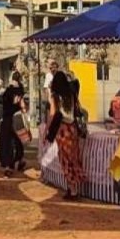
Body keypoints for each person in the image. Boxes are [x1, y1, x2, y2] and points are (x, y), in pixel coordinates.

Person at [48, 71, 84, 200]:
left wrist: (48, 131)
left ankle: (72, 189)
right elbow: (76, 82)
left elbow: (52, 115)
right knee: (74, 158)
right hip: (73, 128)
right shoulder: (72, 94)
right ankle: (74, 188)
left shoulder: (55, 96)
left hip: (62, 130)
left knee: (65, 159)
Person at [0, 71, 28, 177]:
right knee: (18, 140)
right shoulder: (20, 90)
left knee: (7, 142)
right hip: (17, 117)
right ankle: (20, 160)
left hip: (8, 118)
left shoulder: (8, 90)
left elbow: (3, 102)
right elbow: (22, 105)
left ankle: (8, 165)